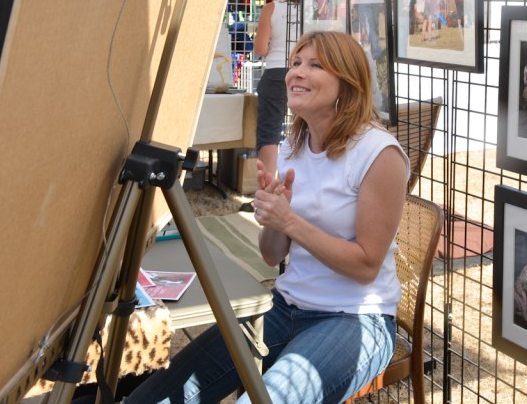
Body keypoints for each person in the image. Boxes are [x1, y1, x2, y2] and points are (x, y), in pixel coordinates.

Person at [125, 30, 409, 404]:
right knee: (157, 396)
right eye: (294, 63)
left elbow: (366, 266)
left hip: (356, 319)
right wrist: (275, 220)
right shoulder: (293, 146)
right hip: (284, 307)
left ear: (348, 82)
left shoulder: (379, 153)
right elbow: (272, 255)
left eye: (314, 65)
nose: (296, 73)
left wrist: (291, 221)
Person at [253, 0, 300, 178]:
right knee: (304, 130)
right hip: (302, 72)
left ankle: (267, 188)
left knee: (269, 132)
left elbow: (261, 48)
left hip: (275, 73)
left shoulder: (272, 8)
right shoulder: (309, 12)